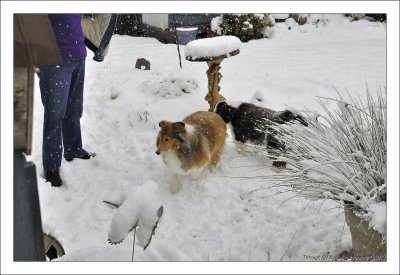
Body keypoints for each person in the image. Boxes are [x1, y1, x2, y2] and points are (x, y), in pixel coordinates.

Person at [37, 14, 117, 187]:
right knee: (55, 114)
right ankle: (51, 167)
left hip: (78, 55)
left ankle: (74, 149)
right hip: (52, 58)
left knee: (74, 109)